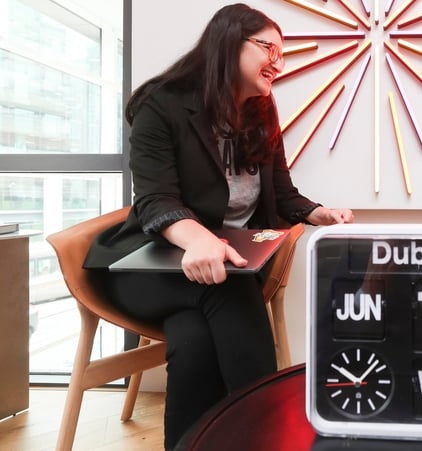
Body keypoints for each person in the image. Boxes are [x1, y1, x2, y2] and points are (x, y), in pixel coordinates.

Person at [83, 4, 354, 449]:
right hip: (147, 268)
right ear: (228, 41)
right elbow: (155, 199)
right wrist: (198, 240)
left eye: (282, 54)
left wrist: (318, 212)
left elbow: (281, 192)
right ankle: (273, 434)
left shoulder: (261, 111)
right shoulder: (162, 104)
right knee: (228, 284)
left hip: (219, 271)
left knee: (193, 339)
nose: (277, 62)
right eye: (268, 47)